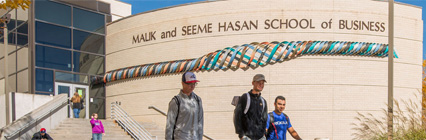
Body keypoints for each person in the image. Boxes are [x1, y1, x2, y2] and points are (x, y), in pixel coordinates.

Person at [166, 72, 204, 140]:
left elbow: (200, 123)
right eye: (190, 83)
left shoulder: (198, 100)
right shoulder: (176, 101)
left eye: (194, 83)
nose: (192, 86)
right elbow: (170, 126)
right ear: (183, 83)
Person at [234, 74, 268, 140]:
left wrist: (264, 134)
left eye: (262, 83)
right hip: (247, 137)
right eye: (258, 82)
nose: (261, 85)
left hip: (260, 137)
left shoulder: (263, 101)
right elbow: (237, 116)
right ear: (253, 83)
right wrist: (241, 135)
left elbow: (264, 119)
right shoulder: (245, 97)